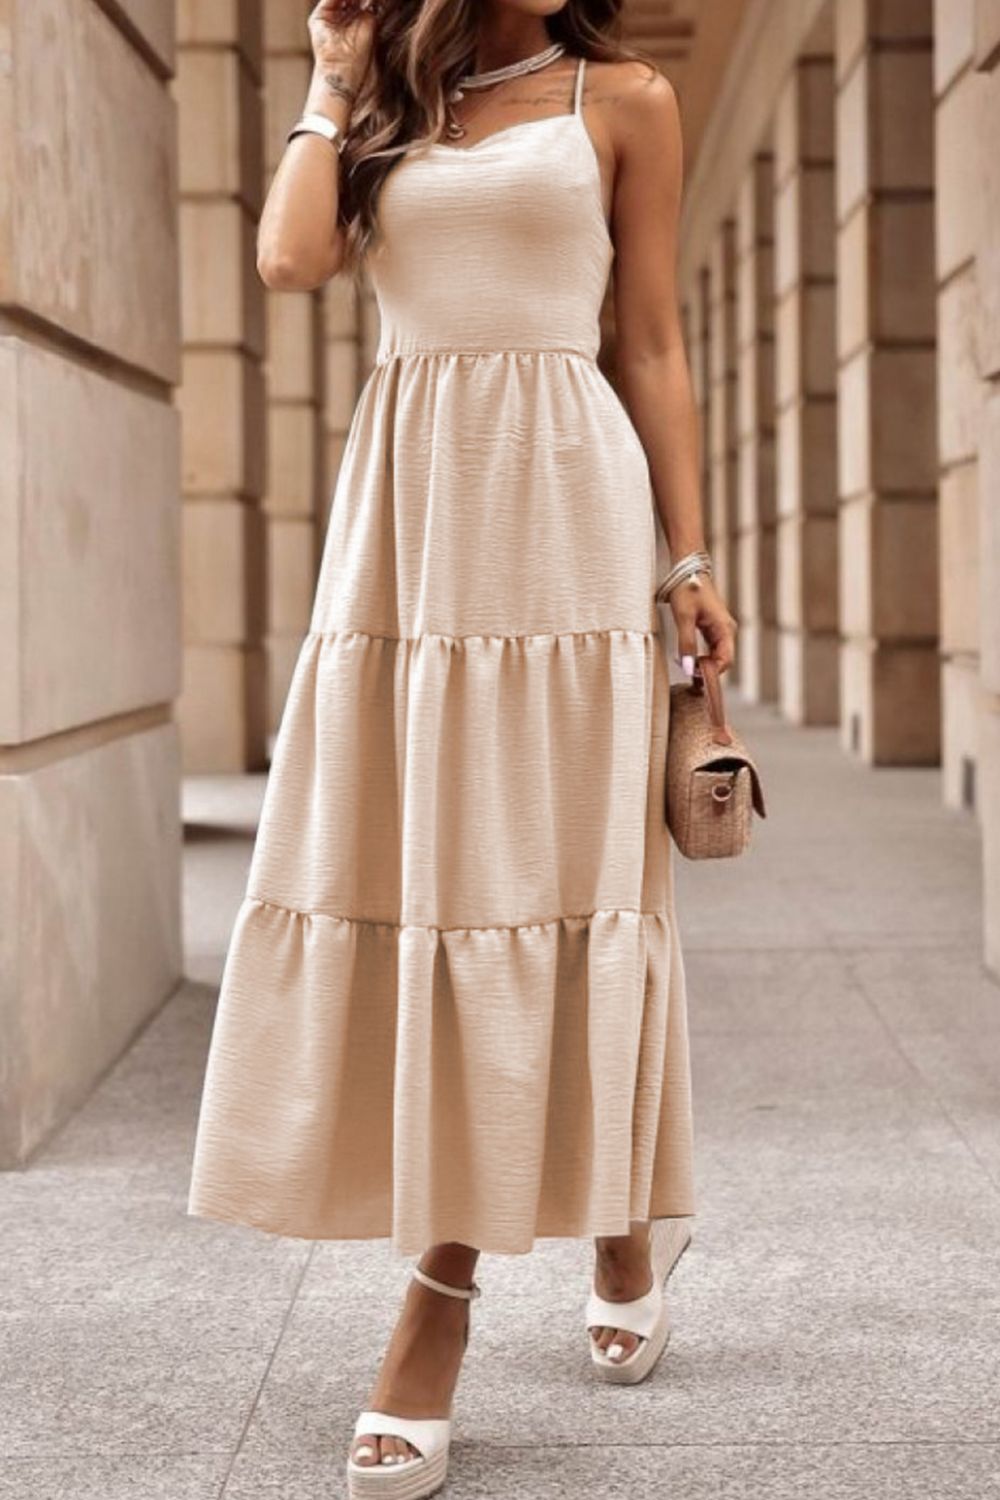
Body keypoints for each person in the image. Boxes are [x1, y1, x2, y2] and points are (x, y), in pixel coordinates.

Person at [186, 1, 738, 1495]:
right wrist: (327, 73)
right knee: (440, 882)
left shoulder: (623, 96)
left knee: (563, 875)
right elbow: (291, 259)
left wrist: (687, 560)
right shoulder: (386, 93)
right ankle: (608, 1222)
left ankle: (445, 1299)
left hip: (566, 505)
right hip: (414, 525)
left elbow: (653, 337)